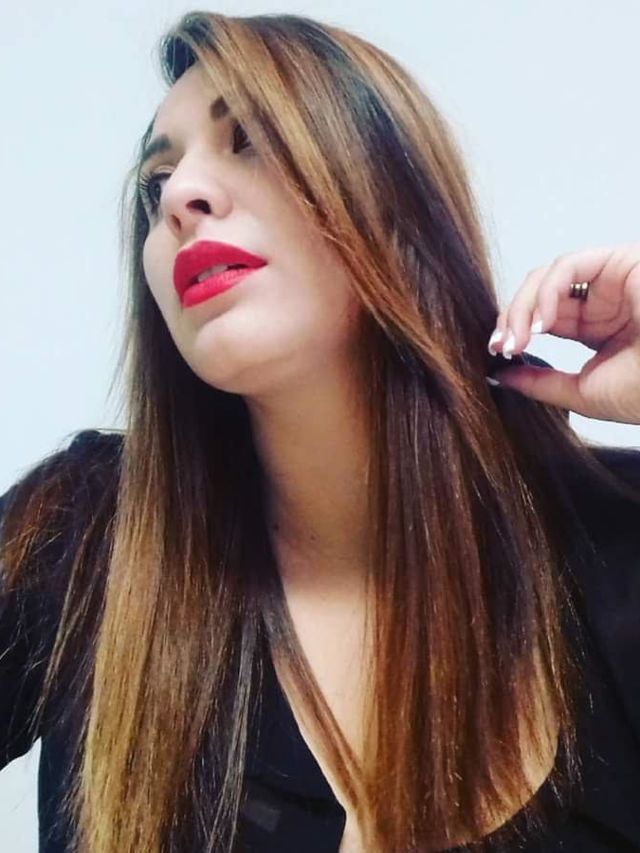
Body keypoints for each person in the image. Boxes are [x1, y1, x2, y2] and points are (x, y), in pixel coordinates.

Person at [1, 10, 639, 853]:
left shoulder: (617, 532)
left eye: (250, 139)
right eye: (157, 182)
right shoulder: (81, 536)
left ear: (396, 199)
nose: (181, 198)